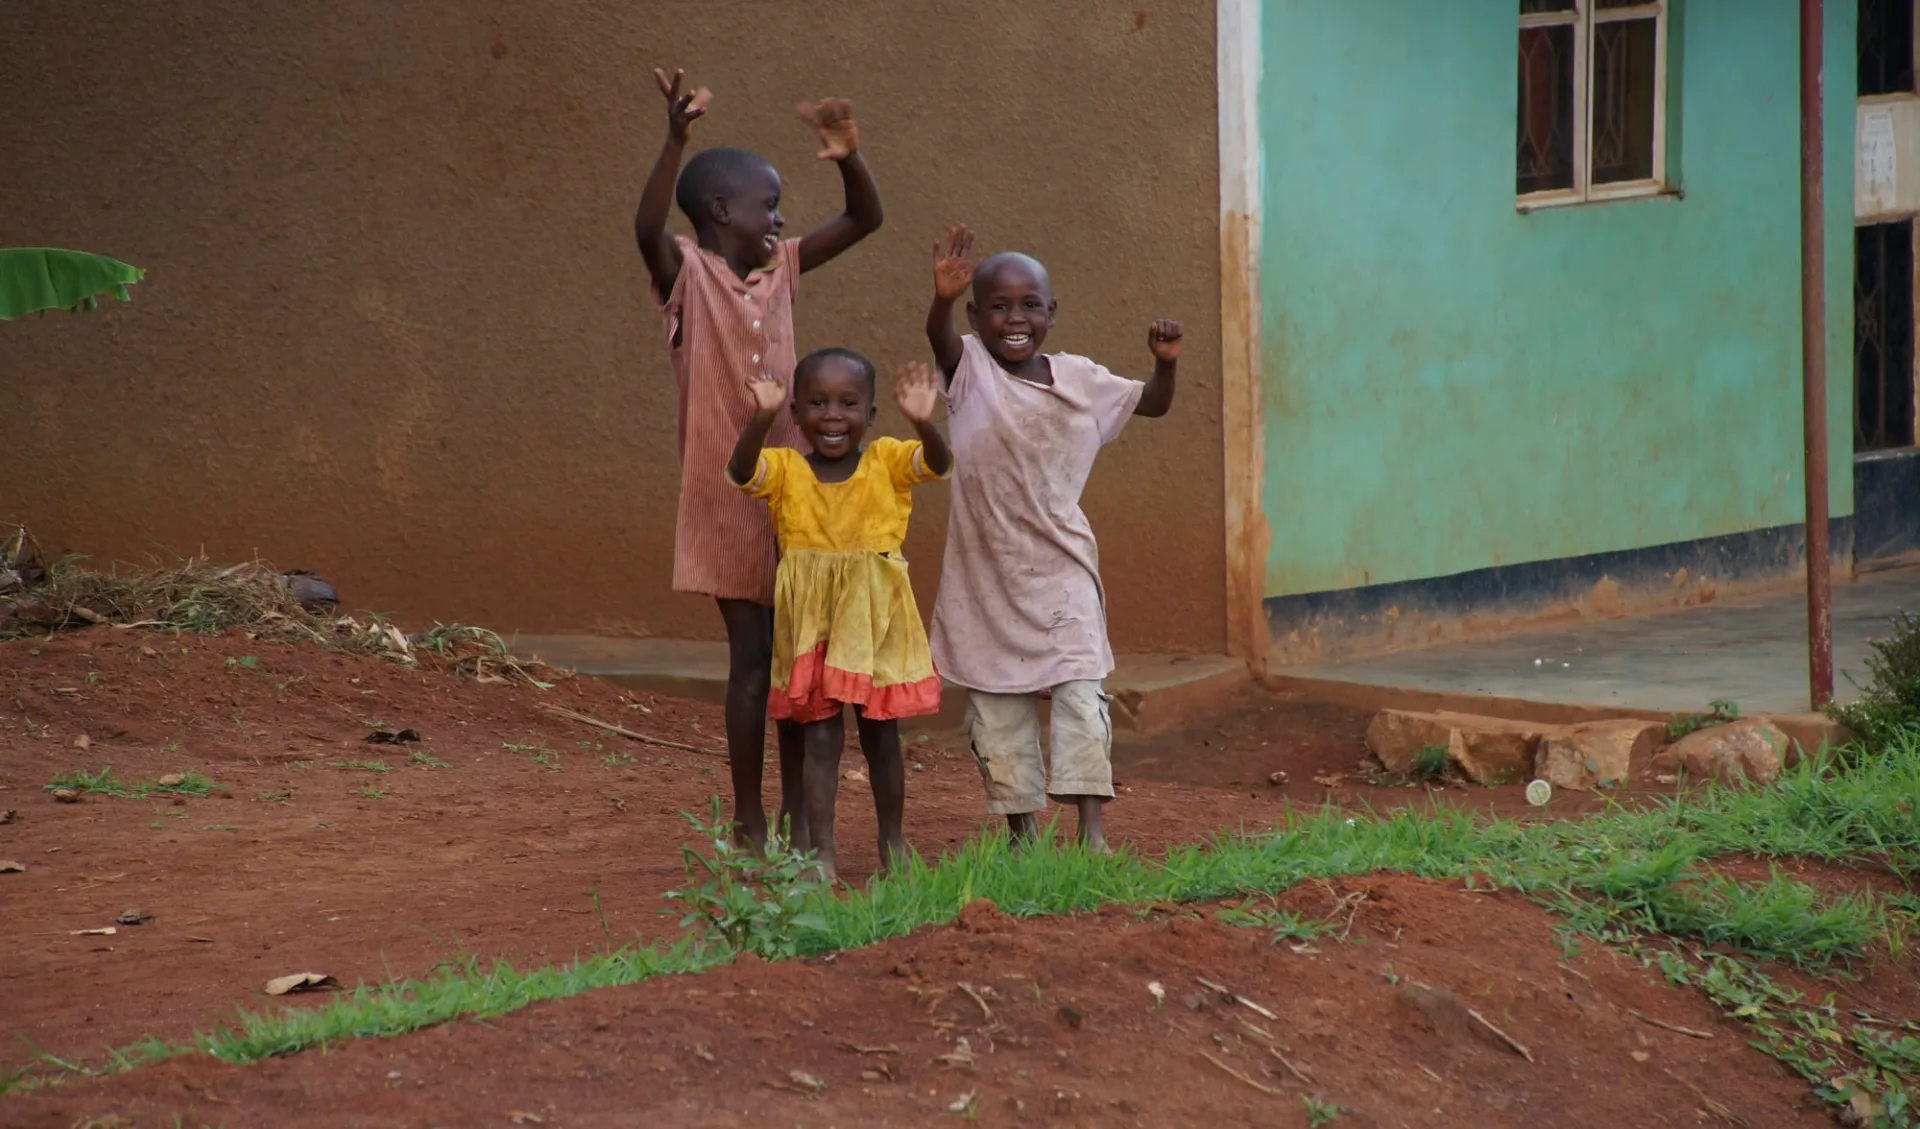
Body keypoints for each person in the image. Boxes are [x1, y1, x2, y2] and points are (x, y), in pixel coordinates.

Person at [633, 67, 883, 850]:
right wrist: (675, 140)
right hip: (721, 496)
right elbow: (644, 229)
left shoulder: (784, 270)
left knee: (794, 655)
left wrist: (848, 154)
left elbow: (866, 218)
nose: (778, 218)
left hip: (799, 497)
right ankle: (748, 815)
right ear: (719, 211)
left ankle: (797, 813)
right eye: (767, 204)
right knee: (752, 655)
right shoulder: (687, 276)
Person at [923, 225, 1182, 852]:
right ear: (975, 315)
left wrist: (1164, 364)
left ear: (1052, 312)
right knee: (997, 702)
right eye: (999, 307)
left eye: (1030, 305)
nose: (1016, 319)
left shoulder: (1081, 381)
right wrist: (938, 302)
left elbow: (1151, 403)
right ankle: (1023, 832)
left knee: (1079, 692)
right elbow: (940, 339)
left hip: (1062, 565)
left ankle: (1092, 832)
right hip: (985, 573)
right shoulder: (968, 370)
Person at [727, 349, 951, 883]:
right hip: (815, 630)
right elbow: (740, 473)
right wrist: (761, 416)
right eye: (817, 402)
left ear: (872, 414)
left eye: (849, 403)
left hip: (874, 626)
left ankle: (892, 840)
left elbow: (939, 464)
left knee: (882, 738)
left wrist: (925, 420)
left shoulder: (888, 460)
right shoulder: (784, 468)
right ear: (797, 415)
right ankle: (822, 854)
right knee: (821, 740)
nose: (833, 414)